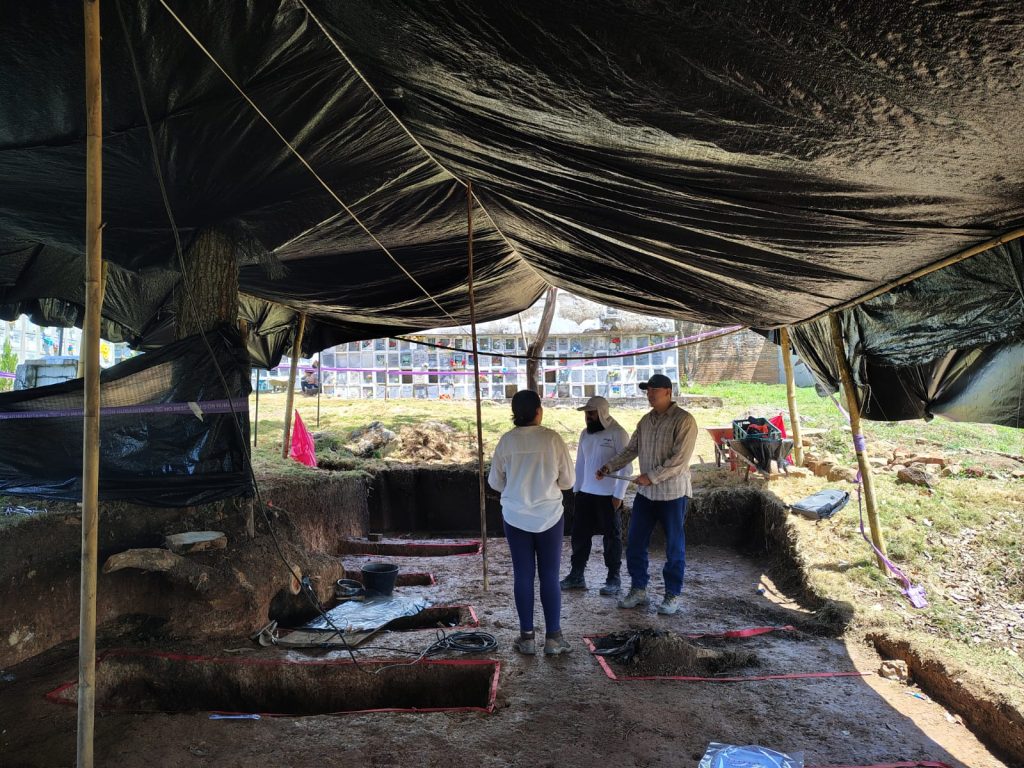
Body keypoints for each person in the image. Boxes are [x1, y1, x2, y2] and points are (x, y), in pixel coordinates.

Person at [598, 373, 697, 616]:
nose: (650, 394)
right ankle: (639, 589)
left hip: (673, 494)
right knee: (634, 543)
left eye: (654, 390)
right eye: (647, 390)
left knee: (674, 546)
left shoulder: (684, 420)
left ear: (668, 392)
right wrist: (609, 466)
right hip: (646, 495)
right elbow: (631, 449)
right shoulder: (645, 421)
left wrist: (650, 476)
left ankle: (672, 594)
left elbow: (679, 460)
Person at [488, 389, 575, 656]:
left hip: (515, 517)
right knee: (549, 575)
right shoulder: (552, 439)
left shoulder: (507, 441)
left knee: (523, 575)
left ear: (515, 413)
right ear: (539, 411)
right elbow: (568, 481)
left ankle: (527, 638)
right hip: (549, 516)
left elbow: (495, 483)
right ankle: (553, 638)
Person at [560, 396, 632, 595]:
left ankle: (613, 578)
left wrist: (618, 495)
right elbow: (580, 463)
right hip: (585, 493)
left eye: (591, 413)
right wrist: (576, 490)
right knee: (579, 536)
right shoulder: (585, 434)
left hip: (609, 496)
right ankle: (577, 575)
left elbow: (627, 467)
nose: (588, 417)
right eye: (586, 414)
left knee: (612, 537)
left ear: (602, 412)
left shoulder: (618, 433)